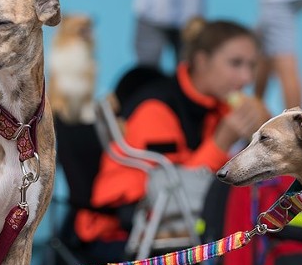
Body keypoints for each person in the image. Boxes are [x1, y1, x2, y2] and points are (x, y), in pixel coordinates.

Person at [74, 18, 270, 250]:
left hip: (174, 221)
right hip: (121, 227)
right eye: (235, 63)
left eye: (251, 66)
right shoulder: (156, 108)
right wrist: (222, 141)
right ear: (201, 61)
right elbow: (173, 191)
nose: (246, 78)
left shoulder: (219, 103)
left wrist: (264, 131)